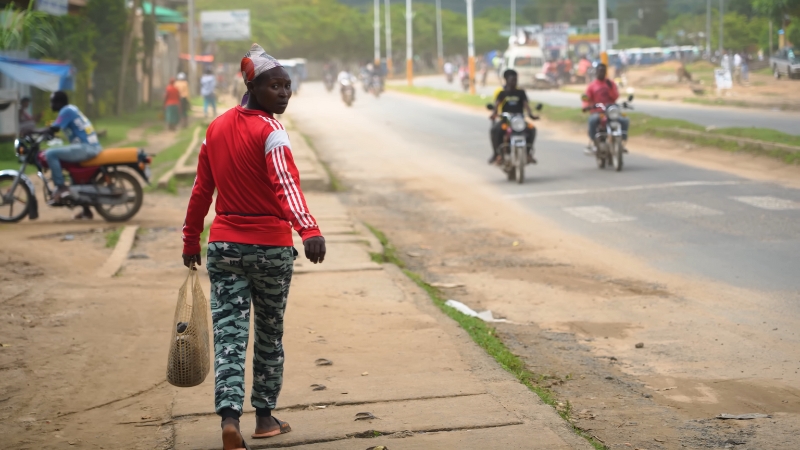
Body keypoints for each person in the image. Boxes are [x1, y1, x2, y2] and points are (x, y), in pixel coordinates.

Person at [181, 43, 326, 450]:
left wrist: (191, 239)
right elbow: (286, 184)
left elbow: (201, 192)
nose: (283, 93)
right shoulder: (272, 131)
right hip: (271, 251)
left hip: (224, 247)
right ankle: (264, 417)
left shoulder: (216, 128)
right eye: (274, 86)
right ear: (252, 86)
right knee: (268, 333)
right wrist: (309, 229)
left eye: (287, 86)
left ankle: (230, 420)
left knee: (230, 335)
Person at [40, 91, 101, 206]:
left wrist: (32, 131)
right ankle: (86, 211)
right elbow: (55, 128)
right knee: (72, 172)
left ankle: (61, 187)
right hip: (90, 146)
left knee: (51, 154)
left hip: (86, 147)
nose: (50, 105)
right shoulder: (72, 108)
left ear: (59, 102)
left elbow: (55, 128)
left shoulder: (66, 110)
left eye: (52, 102)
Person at [489, 69, 538, 165]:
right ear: (506, 80)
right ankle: (497, 155)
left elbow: (526, 105)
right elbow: (497, 104)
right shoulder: (502, 93)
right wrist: (494, 114)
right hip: (506, 121)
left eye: (516, 80)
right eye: (512, 80)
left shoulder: (521, 92)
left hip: (519, 120)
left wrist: (531, 114)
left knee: (532, 129)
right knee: (495, 130)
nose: (514, 82)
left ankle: (528, 153)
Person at [582, 63, 629, 155]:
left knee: (624, 120)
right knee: (593, 121)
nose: (601, 73)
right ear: (596, 72)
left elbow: (615, 97)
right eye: (600, 71)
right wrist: (586, 106)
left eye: (603, 71)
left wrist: (611, 88)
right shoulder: (592, 86)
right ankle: (594, 142)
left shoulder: (610, 83)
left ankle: (621, 142)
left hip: (611, 110)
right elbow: (586, 98)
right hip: (597, 111)